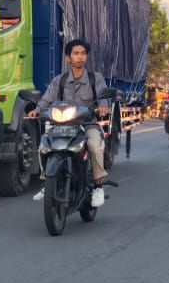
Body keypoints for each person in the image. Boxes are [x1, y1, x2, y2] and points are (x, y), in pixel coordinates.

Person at [27, 39, 111, 207]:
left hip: (87, 125)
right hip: (62, 126)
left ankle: (98, 187)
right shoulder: (60, 80)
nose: (80, 57)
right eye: (76, 53)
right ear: (68, 58)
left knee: (94, 145)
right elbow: (47, 99)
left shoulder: (95, 78)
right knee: (43, 146)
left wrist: (103, 107)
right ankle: (47, 182)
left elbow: (103, 97)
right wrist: (37, 110)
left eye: (83, 53)